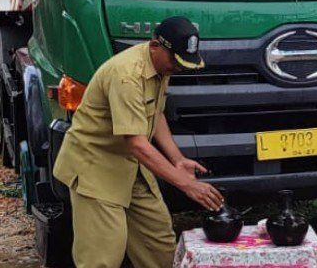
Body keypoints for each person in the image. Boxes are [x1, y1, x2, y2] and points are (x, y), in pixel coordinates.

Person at [53, 16, 224, 268]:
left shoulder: (161, 65)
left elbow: (155, 112)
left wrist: (177, 159)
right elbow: (137, 143)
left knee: (158, 244)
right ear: (155, 45)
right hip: (95, 166)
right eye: (174, 61)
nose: (177, 68)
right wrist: (187, 185)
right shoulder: (127, 76)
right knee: (103, 255)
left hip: (130, 166)